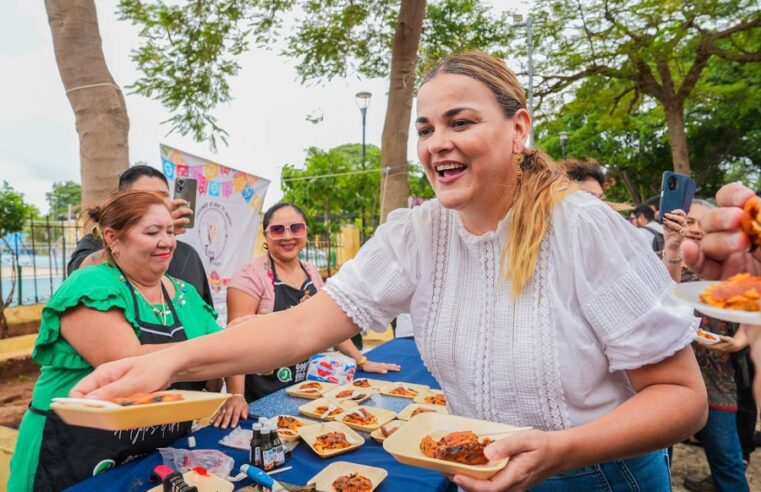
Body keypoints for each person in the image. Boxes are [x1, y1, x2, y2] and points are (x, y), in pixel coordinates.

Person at [70, 52, 708, 491]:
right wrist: (171, 362)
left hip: (598, 476)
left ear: (518, 129)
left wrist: (562, 451)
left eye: (461, 122)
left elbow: (683, 400)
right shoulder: (416, 232)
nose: (436, 143)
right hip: (480, 470)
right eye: (427, 128)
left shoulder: (583, 228)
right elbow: (298, 329)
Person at [8, 191, 225, 492]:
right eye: (152, 232)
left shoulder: (186, 293)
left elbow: (225, 354)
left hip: (151, 449)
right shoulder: (91, 285)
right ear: (112, 238)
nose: (166, 241)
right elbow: (127, 361)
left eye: (170, 231)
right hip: (74, 448)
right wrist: (222, 347)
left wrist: (234, 388)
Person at [211, 203, 400, 428]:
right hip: (261, 392)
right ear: (266, 235)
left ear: (306, 231)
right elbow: (237, 342)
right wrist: (236, 397)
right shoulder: (249, 276)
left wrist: (361, 360)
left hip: (303, 388)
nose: (288, 236)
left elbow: (328, 325)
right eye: (278, 230)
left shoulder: (311, 272)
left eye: (295, 228)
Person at [666, 200, 750, 492]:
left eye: (704, 224)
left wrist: (738, 340)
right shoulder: (657, 261)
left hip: (717, 380)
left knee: (727, 462)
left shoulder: (727, 270)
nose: (696, 230)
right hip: (666, 380)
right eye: (689, 221)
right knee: (661, 459)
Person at [67, 165, 214, 308]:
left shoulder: (188, 253)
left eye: (162, 196)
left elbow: (205, 312)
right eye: (143, 197)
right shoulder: (95, 244)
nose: (154, 203)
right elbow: (79, 280)